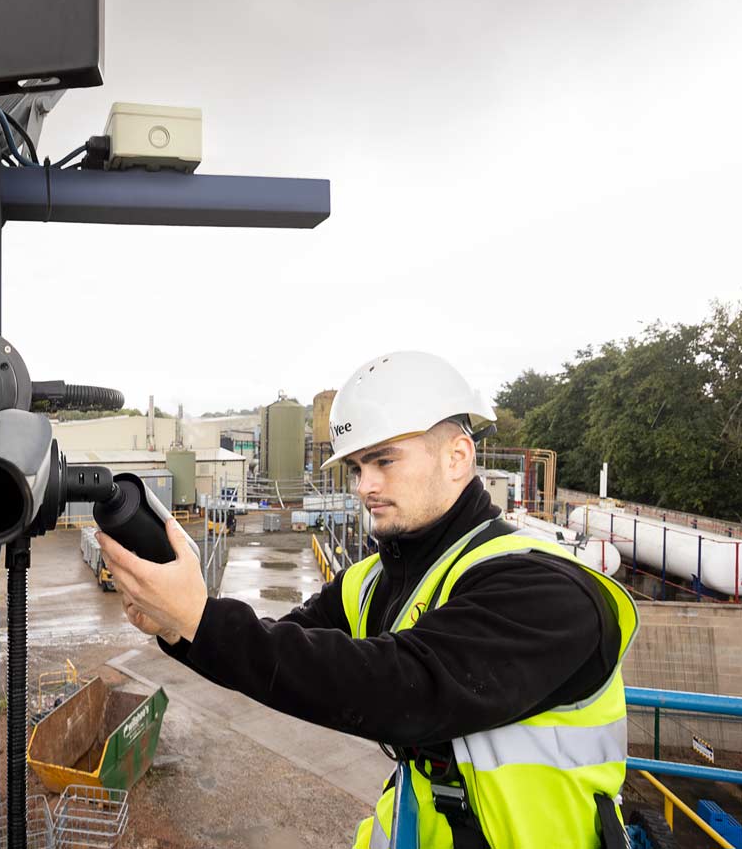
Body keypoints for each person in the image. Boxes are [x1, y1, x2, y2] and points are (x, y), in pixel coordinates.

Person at [98, 351, 638, 849]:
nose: (363, 486)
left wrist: (200, 620)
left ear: (457, 457)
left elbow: (406, 689)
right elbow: (280, 651)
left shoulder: (545, 588)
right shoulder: (376, 578)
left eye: (383, 462)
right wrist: (176, 623)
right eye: (357, 468)